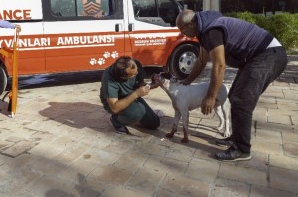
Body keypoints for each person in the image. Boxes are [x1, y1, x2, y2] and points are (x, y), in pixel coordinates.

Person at [176, 9, 287, 161]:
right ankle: (236, 138)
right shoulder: (206, 30)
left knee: (242, 101)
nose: (182, 33)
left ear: (190, 24)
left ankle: (242, 149)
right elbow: (201, 61)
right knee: (234, 96)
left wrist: (211, 96)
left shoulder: (211, 31)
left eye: (182, 29)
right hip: (259, 56)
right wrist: (187, 81)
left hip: (268, 55)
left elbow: (219, 66)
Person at [99, 56, 161, 134]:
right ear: (123, 77)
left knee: (154, 123)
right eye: (133, 74)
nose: (137, 73)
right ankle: (116, 120)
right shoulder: (109, 79)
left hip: (131, 94)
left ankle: (130, 114)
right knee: (138, 111)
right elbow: (114, 107)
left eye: (137, 70)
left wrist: (152, 84)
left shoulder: (135, 64)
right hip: (114, 101)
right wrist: (136, 94)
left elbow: (140, 84)